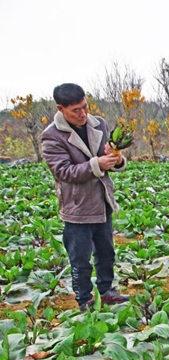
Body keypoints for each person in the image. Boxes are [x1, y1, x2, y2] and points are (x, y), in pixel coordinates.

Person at [41, 83, 130, 311]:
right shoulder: (52, 136)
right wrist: (96, 164)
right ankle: (84, 299)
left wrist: (117, 159)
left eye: (85, 107)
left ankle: (106, 291)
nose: (83, 114)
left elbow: (109, 159)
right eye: (76, 110)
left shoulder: (99, 124)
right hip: (77, 206)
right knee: (80, 258)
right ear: (61, 109)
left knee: (106, 252)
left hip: (102, 201)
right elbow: (63, 172)